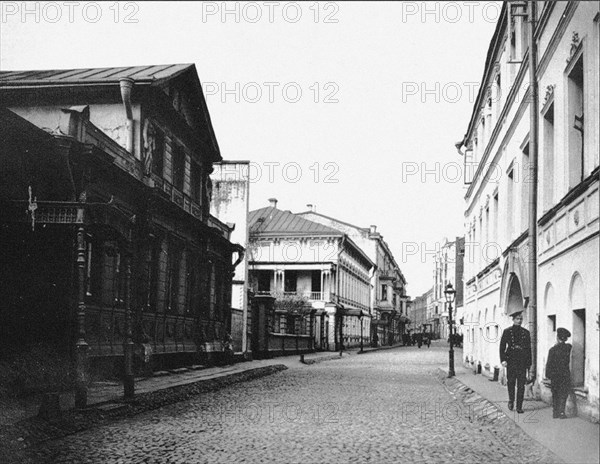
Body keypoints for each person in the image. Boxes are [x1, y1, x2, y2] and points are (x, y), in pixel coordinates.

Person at [499, 312, 532, 414]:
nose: (519, 321)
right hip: (511, 361)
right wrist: (503, 360)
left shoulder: (526, 333)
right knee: (511, 383)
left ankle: (519, 406)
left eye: (521, 319)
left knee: (521, 385)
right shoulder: (507, 332)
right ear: (513, 320)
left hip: (522, 361)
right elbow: (502, 347)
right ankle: (511, 400)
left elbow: (528, 349)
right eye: (517, 319)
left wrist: (529, 365)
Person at [545, 327, 572, 419]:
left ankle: (555, 412)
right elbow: (567, 346)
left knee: (555, 393)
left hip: (555, 375)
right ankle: (562, 413)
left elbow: (549, 363)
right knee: (564, 394)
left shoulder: (552, 350)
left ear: (557, 337)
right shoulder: (568, 348)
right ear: (566, 339)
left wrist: (548, 375)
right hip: (565, 374)